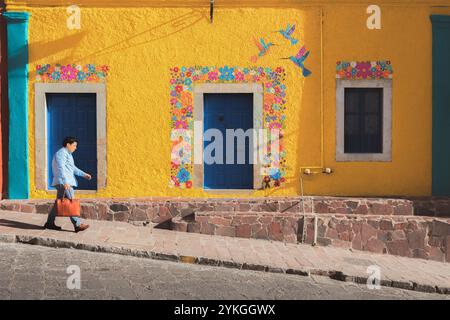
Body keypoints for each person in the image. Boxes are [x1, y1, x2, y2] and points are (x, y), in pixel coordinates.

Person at [44, 136, 92, 232]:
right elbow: (60, 168)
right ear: (68, 144)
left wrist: (83, 174)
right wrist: (65, 182)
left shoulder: (68, 155)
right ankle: (77, 224)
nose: (75, 148)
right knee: (71, 201)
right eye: (74, 145)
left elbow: (73, 168)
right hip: (64, 183)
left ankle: (49, 223)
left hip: (65, 182)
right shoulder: (61, 154)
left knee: (58, 203)